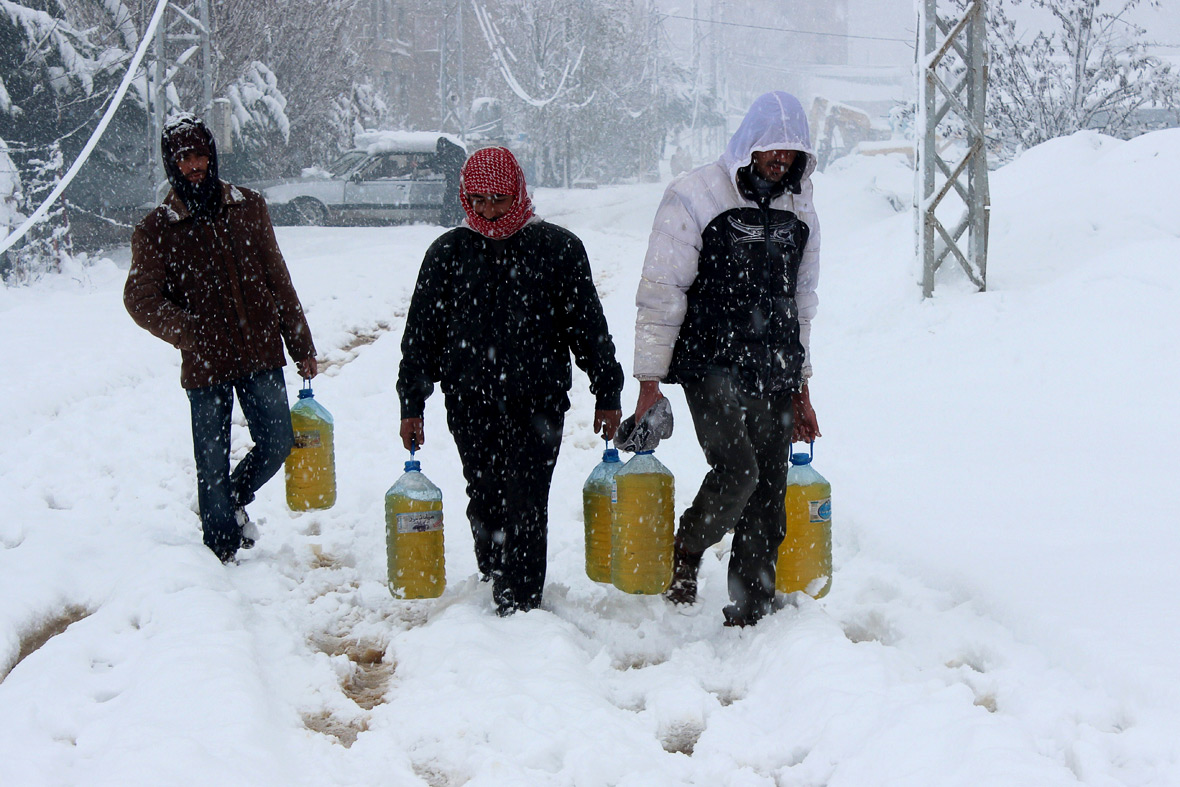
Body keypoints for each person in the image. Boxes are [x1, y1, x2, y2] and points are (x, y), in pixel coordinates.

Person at [397, 146, 624, 616]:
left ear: (518, 192)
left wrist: (607, 390)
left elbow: (588, 328)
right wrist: (411, 404)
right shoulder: (448, 254)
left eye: (498, 199)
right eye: (477, 200)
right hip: (469, 402)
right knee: (484, 496)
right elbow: (421, 336)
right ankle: (494, 572)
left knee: (526, 499)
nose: (488, 212)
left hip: (538, 402)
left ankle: (520, 602)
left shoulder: (557, 249)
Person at [630, 91, 822, 627]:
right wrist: (649, 381)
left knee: (769, 489)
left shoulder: (800, 207)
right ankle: (688, 548)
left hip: (775, 364)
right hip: (710, 360)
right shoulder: (695, 195)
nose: (780, 159)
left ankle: (751, 608)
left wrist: (803, 386)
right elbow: (662, 290)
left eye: (791, 150)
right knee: (739, 472)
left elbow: (802, 300)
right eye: (771, 148)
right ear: (748, 143)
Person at [124, 113, 318, 565]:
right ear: (172, 165)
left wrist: (301, 344)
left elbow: (277, 276)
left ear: (211, 155)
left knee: (278, 441)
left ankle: (231, 498)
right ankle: (220, 554)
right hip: (205, 362)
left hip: (259, 349)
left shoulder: (248, 206)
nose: (194, 165)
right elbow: (140, 299)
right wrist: (190, 331)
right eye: (183, 158)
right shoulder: (156, 229)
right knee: (210, 463)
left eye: (199, 155)